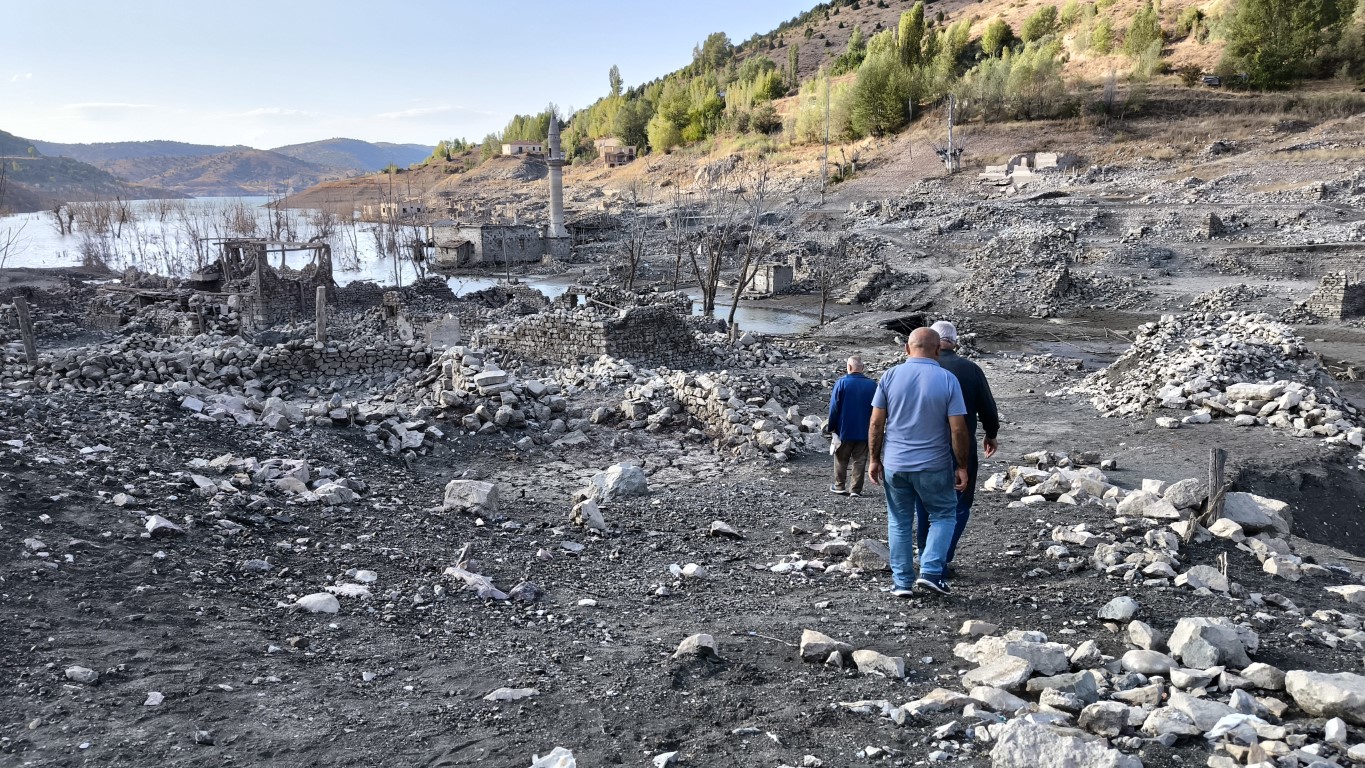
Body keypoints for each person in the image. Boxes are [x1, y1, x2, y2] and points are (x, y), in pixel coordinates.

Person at [868, 327, 970, 596]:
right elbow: (958, 429)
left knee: (899, 521)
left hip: (895, 464)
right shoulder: (948, 380)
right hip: (934, 464)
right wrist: (962, 466)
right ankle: (931, 572)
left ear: (906, 349)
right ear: (938, 350)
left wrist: (874, 459)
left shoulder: (889, 376)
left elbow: (877, 422)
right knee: (944, 515)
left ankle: (902, 583)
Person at [914, 321, 1000, 575]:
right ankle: (940, 558)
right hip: (959, 448)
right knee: (959, 503)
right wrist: (991, 434)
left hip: (921, 447)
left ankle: (925, 554)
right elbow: (987, 407)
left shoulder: (916, 369)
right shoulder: (970, 369)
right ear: (955, 341)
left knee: (923, 503)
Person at [825, 356, 878, 497]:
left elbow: (834, 408)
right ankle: (855, 489)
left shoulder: (841, 383)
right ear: (863, 368)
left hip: (844, 429)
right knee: (860, 460)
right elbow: (878, 409)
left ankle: (839, 485)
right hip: (865, 430)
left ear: (848, 367)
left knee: (841, 458)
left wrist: (831, 427)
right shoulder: (872, 385)